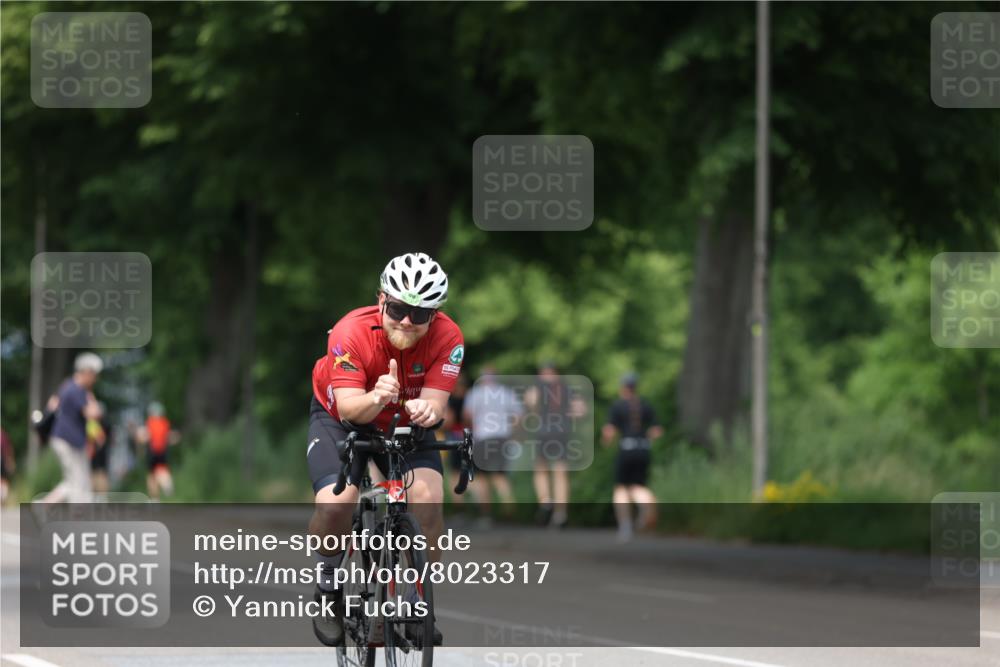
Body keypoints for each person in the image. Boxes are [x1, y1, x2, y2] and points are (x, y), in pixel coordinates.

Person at [307, 252, 462, 647]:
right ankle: (328, 589)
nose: (407, 321)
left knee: (427, 501)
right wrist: (376, 396)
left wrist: (429, 408)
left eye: (420, 313)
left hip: (404, 422)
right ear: (381, 300)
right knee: (335, 504)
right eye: (397, 308)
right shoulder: (350, 332)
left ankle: (412, 602)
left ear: (435, 314)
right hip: (343, 418)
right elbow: (348, 407)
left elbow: (436, 402)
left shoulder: (450, 338)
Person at [602, 372, 663, 542]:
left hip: (626, 449)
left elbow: (609, 431)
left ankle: (625, 526)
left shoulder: (618, 406)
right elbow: (657, 430)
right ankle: (647, 501)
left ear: (623, 387)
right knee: (637, 486)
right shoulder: (646, 405)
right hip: (643, 449)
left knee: (621, 488)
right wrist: (645, 437)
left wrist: (606, 442)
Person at [524, 361, 583, 528]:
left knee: (540, 469)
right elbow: (579, 410)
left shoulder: (537, 387)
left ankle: (546, 500)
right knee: (560, 473)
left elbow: (531, 404)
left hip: (544, 431)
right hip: (562, 431)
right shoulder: (567, 388)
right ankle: (560, 513)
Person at [42, 352, 103, 503]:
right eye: (94, 374)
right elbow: (92, 414)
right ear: (87, 372)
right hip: (67, 440)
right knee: (78, 482)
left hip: (70, 440)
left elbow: (52, 404)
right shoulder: (76, 390)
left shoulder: (68, 386)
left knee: (78, 481)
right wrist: (95, 404)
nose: (96, 379)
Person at [462, 365, 520, 523]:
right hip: (502, 437)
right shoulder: (506, 392)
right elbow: (517, 416)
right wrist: (511, 432)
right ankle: (509, 510)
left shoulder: (475, 393)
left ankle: (485, 514)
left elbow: (467, 416)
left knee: (481, 477)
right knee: (500, 475)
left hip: (482, 437)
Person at [140, 402, 176, 499]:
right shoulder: (165, 423)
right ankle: (167, 485)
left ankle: (154, 499)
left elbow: (143, 437)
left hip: (152, 452)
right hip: (163, 452)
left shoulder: (149, 422)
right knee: (162, 470)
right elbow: (171, 437)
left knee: (151, 476)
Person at [88, 403, 112, 496]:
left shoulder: (94, 423)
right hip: (96, 453)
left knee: (98, 474)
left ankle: (98, 496)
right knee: (97, 474)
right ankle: (99, 496)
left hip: (96, 453)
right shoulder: (104, 423)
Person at [1, 428, 15, 505]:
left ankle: (2, 500)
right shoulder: (3, 435)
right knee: (4, 481)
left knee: (3, 481)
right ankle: (3, 500)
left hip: (2, 459)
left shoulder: (3, 435)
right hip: (2, 459)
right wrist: (10, 461)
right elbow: (8, 450)